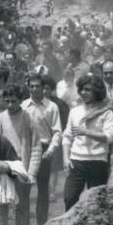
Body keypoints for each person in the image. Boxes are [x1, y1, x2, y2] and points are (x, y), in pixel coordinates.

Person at [0, 84, 40, 225]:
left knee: (21, 204)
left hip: (22, 164)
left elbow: (35, 147)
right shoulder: (0, 118)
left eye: (14, 101)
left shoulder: (28, 118)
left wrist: (32, 172)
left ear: (21, 100)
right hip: (4, 165)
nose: (10, 104)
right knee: (4, 203)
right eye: (7, 101)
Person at [62, 75, 113, 210]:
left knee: (96, 203)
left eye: (88, 90)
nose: (83, 93)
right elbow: (67, 136)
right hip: (77, 161)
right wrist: (65, 158)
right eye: (82, 89)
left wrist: (87, 132)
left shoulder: (106, 112)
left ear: (96, 91)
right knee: (69, 198)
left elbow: (110, 137)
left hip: (98, 162)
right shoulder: (75, 111)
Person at [22, 74, 62, 225]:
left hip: (44, 148)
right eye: (31, 86)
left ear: (43, 87)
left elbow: (57, 131)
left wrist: (51, 149)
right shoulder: (23, 106)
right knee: (24, 187)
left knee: (43, 187)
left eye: (37, 86)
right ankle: (23, 224)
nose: (34, 89)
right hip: (27, 149)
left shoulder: (52, 107)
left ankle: (41, 222)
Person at [42, 75, 69, 203]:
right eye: (42, 88)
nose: (44, 91)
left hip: (56, 138)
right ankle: (45, 190)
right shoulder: (35, 103)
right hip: (40, 139)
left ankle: (51, 191)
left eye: (47, 88)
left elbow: (65, 123)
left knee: (53, 167)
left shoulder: (59, 104)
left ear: (52, 89)